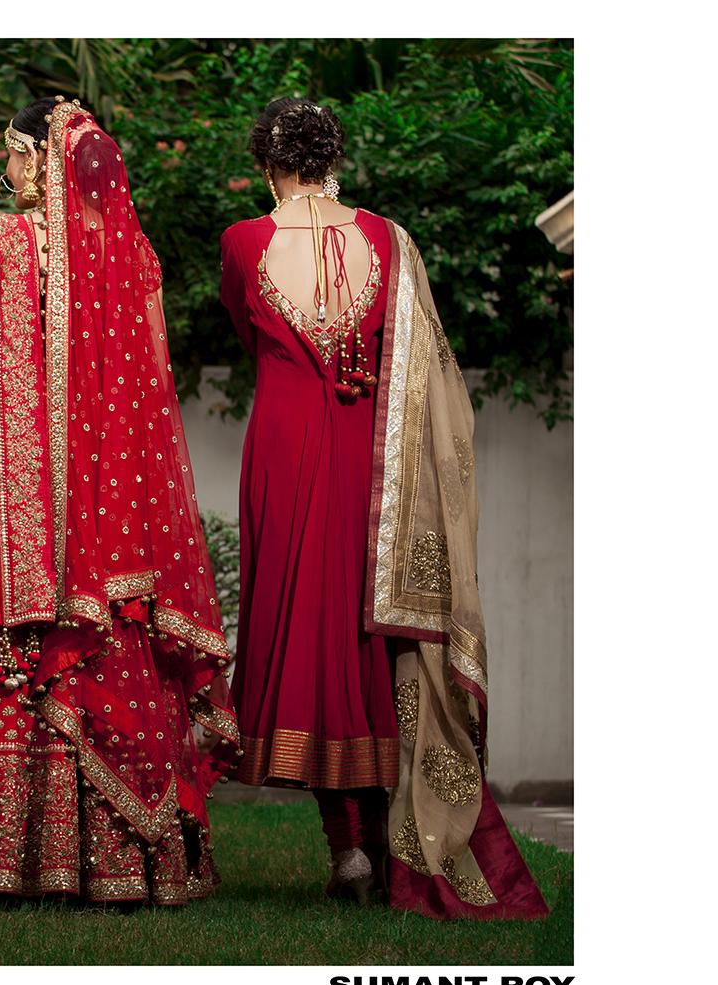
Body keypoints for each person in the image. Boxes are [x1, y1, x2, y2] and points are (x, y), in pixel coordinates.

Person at [0, 98, 238, 903]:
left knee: (7, 646)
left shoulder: (11, 243)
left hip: (21, 508)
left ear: (40, 159)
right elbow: (150, 395)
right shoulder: (130, 253)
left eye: (14, 153)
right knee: (107, 647)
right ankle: (120, 864)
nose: (7, 168)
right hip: (108, 512)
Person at [218, 97, 547, 918]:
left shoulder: (244, 241)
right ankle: (375, 840)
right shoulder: (390, 240)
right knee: (372, 641)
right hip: (374, 458)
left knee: (304, 631)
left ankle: (351, 848)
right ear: (334, 158)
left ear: (266, 161)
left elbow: (248, 331)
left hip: (285, 446)